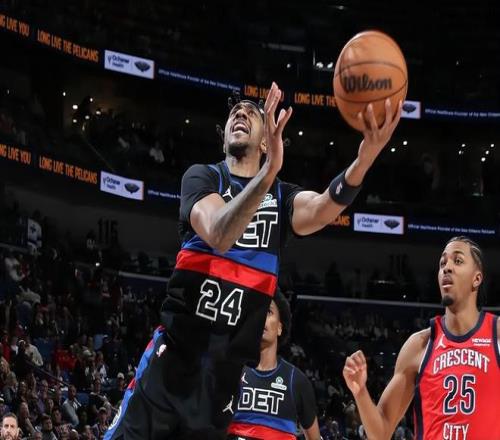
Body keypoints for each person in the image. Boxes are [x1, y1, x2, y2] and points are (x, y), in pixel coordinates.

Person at [106, 82, 401, 439]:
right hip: (173, 359)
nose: (240, 114)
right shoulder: (203, 177)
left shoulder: (282, 197)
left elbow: (323, 207)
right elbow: (219, 233)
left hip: (224, 380)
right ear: (224, 139)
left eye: (251, 112)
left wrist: (365, 158)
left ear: (265, 143)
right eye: (235, 112)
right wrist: (267, 173)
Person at [343, 236, 500, 439]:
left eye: (458, 261)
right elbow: (380, 433)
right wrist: (360, 392)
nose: (447, 268)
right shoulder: (419, 345)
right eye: (443, 263)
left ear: (476, 279)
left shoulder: (496, 334)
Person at [227, 291, 320, 439]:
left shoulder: (297, 381)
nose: (261, 317)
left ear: (280, 328)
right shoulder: (229, 372)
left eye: (268, 312)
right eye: (257, 312)